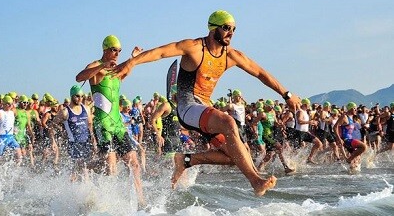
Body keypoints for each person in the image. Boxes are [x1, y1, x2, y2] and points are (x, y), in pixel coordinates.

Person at [112, 10, 301, 196]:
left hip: (205, 108)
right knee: (228, 122)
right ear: (213, 28)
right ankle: (255, 181)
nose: (231, 33)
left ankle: (186, 160)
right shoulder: (194, 47)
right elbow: (161, 53)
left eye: (234, 29)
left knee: (237, 154)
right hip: (187, 107)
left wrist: (286, 94)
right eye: (226, 28)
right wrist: (132, 62)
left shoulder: (231, 55)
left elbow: (260, 73)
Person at [75, 34, 145, 206]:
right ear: (105, 49)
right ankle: (86, 166)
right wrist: (102, 67)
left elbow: (126, 70)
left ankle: (142, 202)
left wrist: (132, 59)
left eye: (119, 51)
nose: (117, 53)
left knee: (134, 163)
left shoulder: (115, 71)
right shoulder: (96, 66)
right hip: (103, 125)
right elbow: (79, 77)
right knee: (110, 169)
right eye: (114, 50)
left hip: (118, 125)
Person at [53, 85, 97, 182]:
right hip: (73, 143)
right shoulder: (65, 111)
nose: (80, 98)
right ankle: (84, 190)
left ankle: (74, 188)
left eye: (82, 96)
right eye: (77, 96)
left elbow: (90, 124)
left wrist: (93, 138)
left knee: (79, 169)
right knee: (82, 167)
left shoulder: (86, 109)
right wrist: (54, 141)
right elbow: (52, 125)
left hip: (86, 142)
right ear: (72, 96)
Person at [334, 102, 367, 169]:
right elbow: (335, 127)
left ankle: (351, 174)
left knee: (357, 160)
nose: (356, 110)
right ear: (351, 108)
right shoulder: (344, 117)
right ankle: (348, 160)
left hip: (350, 139)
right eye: (355, 108)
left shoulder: (351, 118)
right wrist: (339, 139)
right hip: (347, 140)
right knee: (364, 147)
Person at [295, 98, 323, 164]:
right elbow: (299, 121)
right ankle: (292, 162)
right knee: (297, 150)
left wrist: (312, 123)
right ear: (305, 104)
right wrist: (309, 122)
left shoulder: (305, 112)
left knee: (318, 143)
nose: (309, 106)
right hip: (299, 132)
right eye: (308, 104)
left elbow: (306, 123)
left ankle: (309, 158)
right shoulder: (300, 111)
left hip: (306, 132)